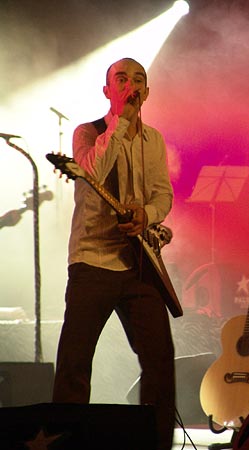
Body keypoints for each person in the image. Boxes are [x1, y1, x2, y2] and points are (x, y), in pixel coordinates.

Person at [52, 57, 176, 449]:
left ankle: (156, 443)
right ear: (108, 91)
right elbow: (94, 170)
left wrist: (147, 214)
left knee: (159, 360)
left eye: (138, 79)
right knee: (75, 361)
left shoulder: (153, 140)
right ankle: (62, 441)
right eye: (121, 79)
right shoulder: (86, 132)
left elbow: (162, 194)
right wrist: (121, 121)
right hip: (93, 261)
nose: (130, 84)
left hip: (139, 262)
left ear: (148, 90)